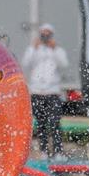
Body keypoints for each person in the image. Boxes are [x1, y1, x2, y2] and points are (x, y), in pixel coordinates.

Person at [22, 23, 68, 158]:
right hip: (36, 91)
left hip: (53, 91)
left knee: (54, 122)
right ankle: (44, 151)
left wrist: (54, 49)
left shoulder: (57, 50)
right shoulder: (34, 49)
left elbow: (64, 64)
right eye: (43, 34)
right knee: (41, 123)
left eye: (48, 34)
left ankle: (58, 152)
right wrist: (33, 47)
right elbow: (26, 63)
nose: (45, 37)